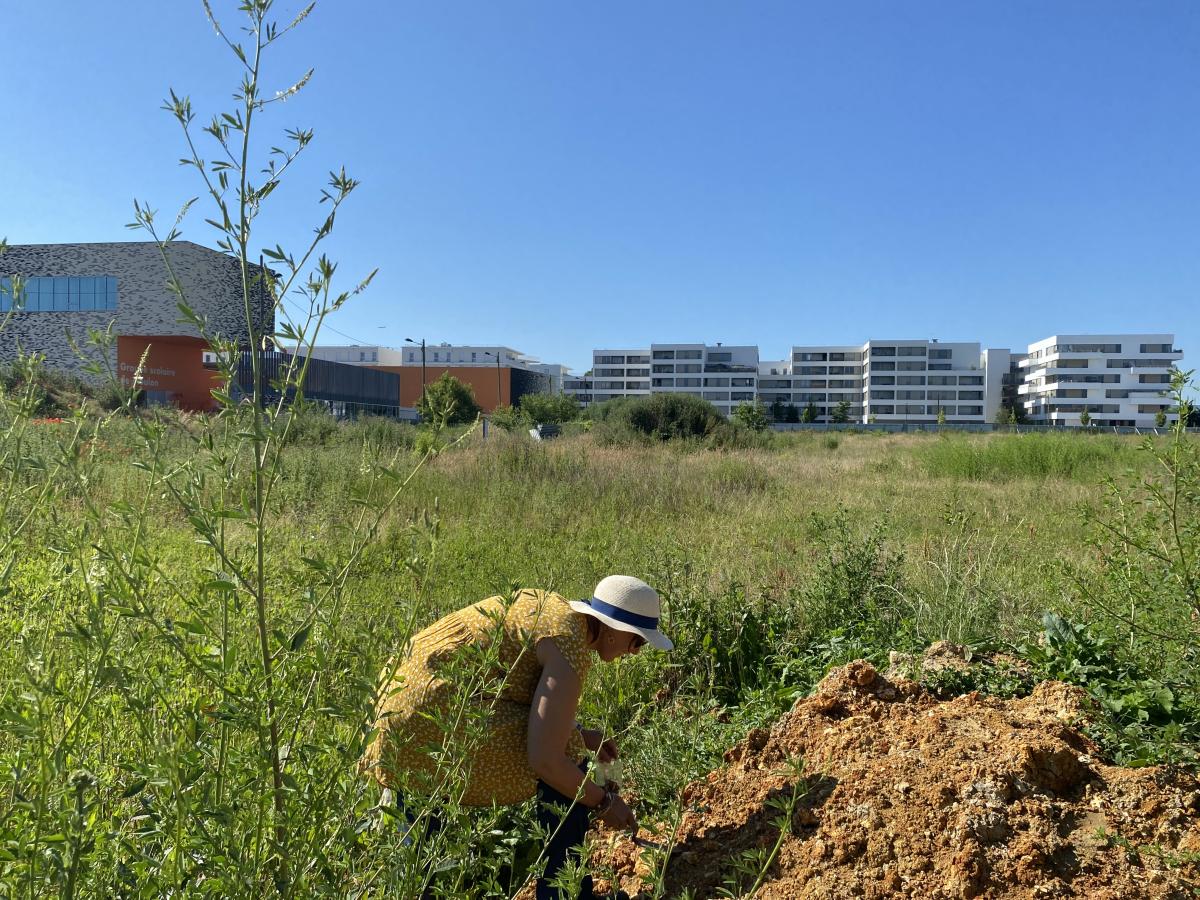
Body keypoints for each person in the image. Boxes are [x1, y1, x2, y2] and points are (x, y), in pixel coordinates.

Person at [360, 575, 673, 899]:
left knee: (419, 831)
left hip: (399, 701)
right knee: (566, 760)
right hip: (434, 709)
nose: (635, 652)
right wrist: (603, 801)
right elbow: (545, 759)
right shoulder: (570, 647)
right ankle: (565, 895)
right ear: (614, 629)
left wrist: (581, 732)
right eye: (638, 641)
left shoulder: (558, 615)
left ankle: (412, 888)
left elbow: (520, 696)